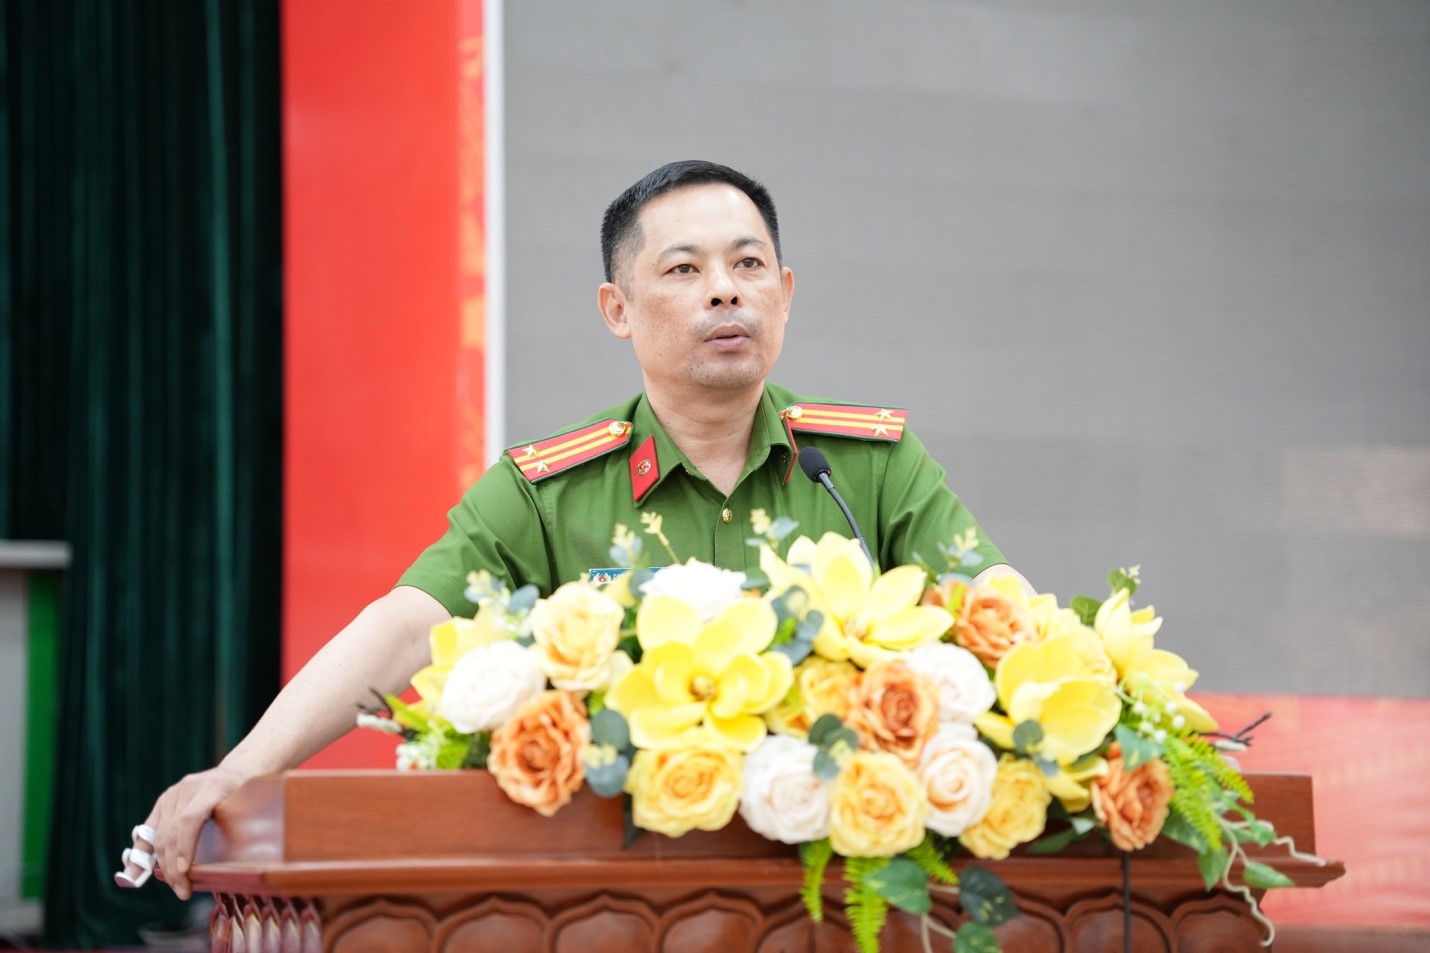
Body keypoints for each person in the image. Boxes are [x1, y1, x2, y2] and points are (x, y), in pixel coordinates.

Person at [116, 160, 1032, 899]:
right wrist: (235, 772)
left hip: (836, 895)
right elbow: (404, 628)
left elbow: (1007, 621)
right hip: (615, 900)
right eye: (684, 269)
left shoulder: (868, 466)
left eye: (749, 266)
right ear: (617, 309)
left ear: (785, 294)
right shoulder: (549, 491)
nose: (725, 291)